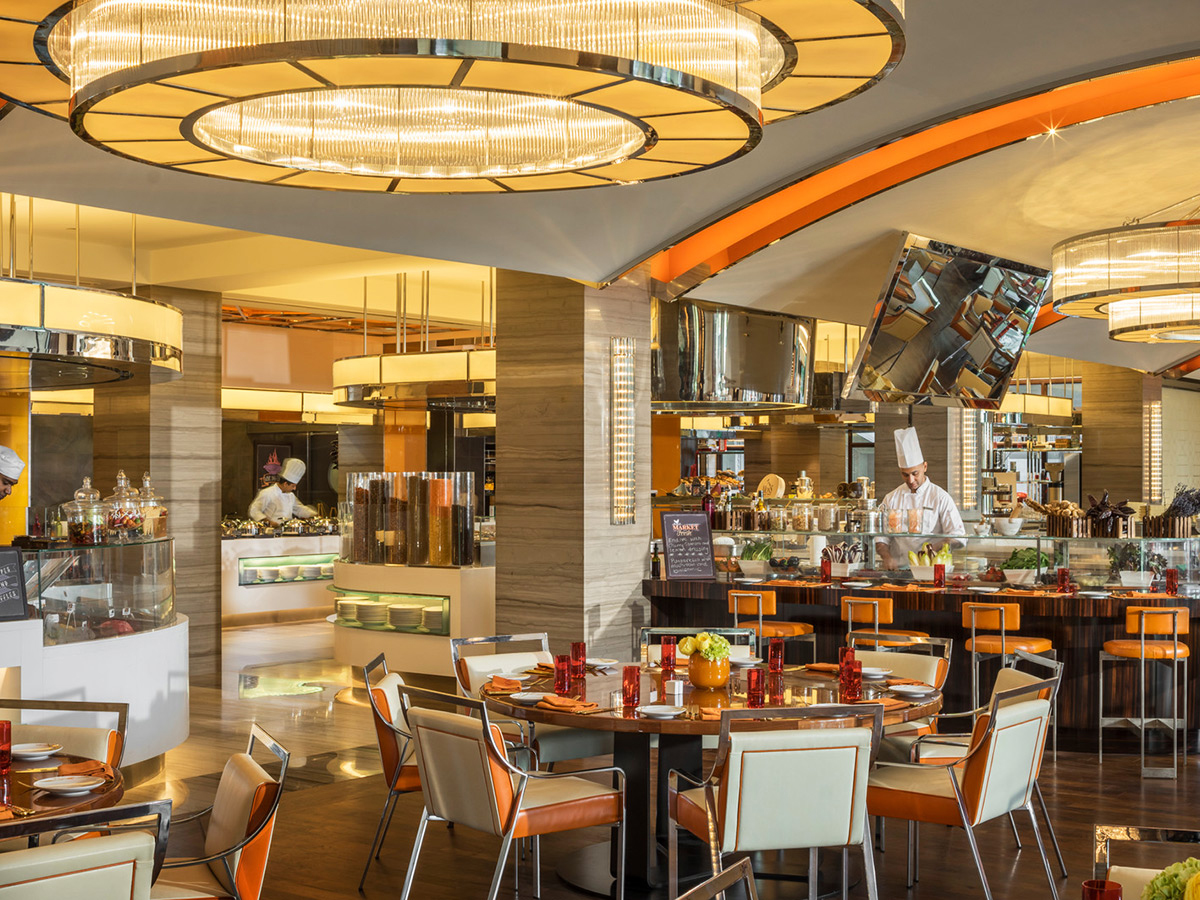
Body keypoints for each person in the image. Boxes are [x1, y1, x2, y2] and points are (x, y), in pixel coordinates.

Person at [874, 427, 965, 570]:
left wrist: (931, 549)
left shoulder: (940, 497)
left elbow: (958, 536)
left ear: (925, 466)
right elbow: (880, 537)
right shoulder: (891, 498)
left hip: (930, 570)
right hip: (898, 571)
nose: (910, 480)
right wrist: (886, 557)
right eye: (905, 475)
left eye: (915, 473)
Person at [249, 457, 316, 526]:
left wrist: (314, 514)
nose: (294, 488)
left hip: (287, 528)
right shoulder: (267, 493)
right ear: (285, 484)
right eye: (293, 486)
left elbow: (299, 509)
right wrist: (267, 522)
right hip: (270, 530)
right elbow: (254, 510)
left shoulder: (291, 495)